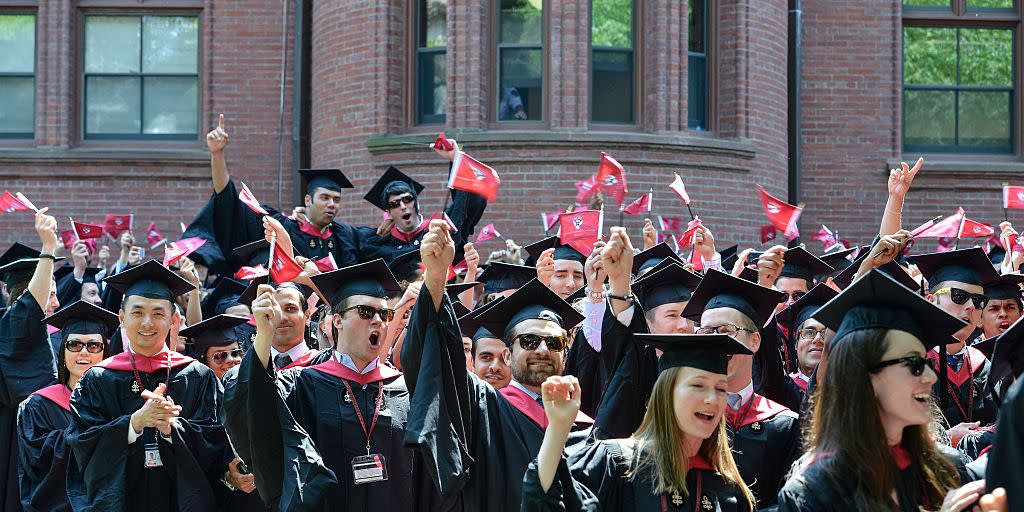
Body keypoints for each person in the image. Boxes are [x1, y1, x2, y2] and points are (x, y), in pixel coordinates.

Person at [221, 259, 454, 510]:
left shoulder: (405, 390)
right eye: (366, 312)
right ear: (337, 321)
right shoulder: (301, 385)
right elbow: (252, 416)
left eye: (384, 314)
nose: (378, 320)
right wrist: (265, 336)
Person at [401, 220, 593, 511]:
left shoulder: (583, 428)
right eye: (528, 341)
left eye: (553, 343)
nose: (542, 349)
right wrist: (437, 279)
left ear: (565, 354)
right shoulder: (484, 409)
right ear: (507, 353)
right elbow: (441, 365)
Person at [777, 269, 977, 511]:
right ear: (864, 376)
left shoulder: (948, 469)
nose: (930, 377)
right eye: (914, 364)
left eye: (927, 363)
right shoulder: (814, 491)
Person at [66, 260, 233, 511]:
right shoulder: (97, 379)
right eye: (137, 312)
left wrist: (171, 429)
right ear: (121, 317)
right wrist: (135, 423)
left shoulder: (198, 376)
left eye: (158, 313)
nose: (147, 323)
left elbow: (217, 442)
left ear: (173, 319)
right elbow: (82, 444)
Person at [522, 334, 756, 511]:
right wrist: (557, 429)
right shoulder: (616, 464)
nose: (711, 399)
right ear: (667, 392)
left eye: (721, 389)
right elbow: (549, 502)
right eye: (698, 385)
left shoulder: (727, 487)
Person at [680, 268, 799, 508]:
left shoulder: (785, 426)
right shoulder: (682, 418)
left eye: (725, 332)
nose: (716, 342)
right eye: (707, 332)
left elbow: (792, 503)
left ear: (755, 341)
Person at [198, 114, 363, 268]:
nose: (331, 204)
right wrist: (217, 154)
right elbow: (228, 202)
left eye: (336, 199)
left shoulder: (345, 237)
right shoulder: (283, 228)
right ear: (308, 200)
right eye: (325, 197)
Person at [16, 300, 116, 512]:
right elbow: (38, 464)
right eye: (74, 344)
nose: (84, 352)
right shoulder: (38, 406)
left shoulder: (118, 402)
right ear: (62, 352)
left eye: (94, 345)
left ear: (104, 353)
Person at [0, 211, 62, 512]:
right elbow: (28, 311)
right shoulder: (12, 328)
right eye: (50, 294)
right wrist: (48, 249)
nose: (56, 303)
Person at [915, 247, 1001, 428]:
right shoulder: (911, 362)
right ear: (931, 302)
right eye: (959, 296)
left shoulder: (986, 365)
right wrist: (944, 441)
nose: (971, 306)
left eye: (979, 301)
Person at [356, 163, 488, 269]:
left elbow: (466, 205)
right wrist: (379, 237)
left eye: (407, 200)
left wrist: (456, 160)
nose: (403, 206)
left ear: (417, 204)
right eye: (395, 204)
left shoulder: (437, 229)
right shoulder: (381, 244)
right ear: (388, 213)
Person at [180, 314, 249, 380]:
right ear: (204, 362)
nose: (230, 360)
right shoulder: (195, 391)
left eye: (235, 353)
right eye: (220, 356)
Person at [524, 236, 587, 301]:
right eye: (560, 276)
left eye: (577, 276)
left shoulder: (592, 309)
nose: (571, 284)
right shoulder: (530, 309)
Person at [979, 274, 1023, 341]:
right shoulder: (970, 351)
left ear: (1022, 315)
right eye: (994, 309)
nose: (1003, 314)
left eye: (1010, 308)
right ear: (978, 319)